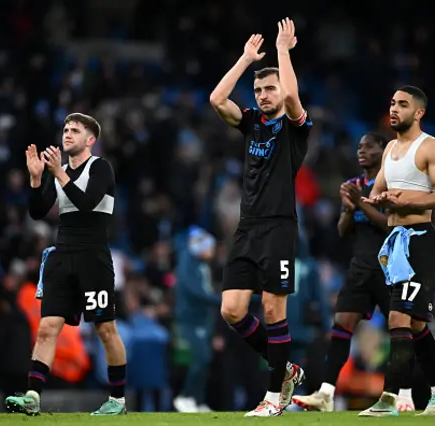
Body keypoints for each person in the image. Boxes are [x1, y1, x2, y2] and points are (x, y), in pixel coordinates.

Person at [209, 18, 312, 417]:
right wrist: (245, 60)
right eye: (258, 89)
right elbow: (218, 100)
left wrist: (283, 52)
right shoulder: (251, 124)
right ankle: (285, 371)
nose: (264, 94)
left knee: (272, 310)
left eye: (269, 88)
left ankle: (273, 399)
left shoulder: (295, 128)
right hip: (247, 227)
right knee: (232, 311)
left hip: (279, 227)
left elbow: (292, 99)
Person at [5, 113, 128, 416]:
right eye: (65, 129)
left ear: (90, 140)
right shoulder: (59, 172)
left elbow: (86, 204)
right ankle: (33, 395)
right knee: (47, 327)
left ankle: (118, 400)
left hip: (93, 258)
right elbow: (37, 211)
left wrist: (59, 173)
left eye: (75, 130)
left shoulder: (100, 168)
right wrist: (36, 180)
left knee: (105, 329)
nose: (67, 134)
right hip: (62, 256)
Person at [293, 133, 412, 412]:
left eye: (369, 146)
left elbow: (391, 225)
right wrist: (347, 210)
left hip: (389, 266)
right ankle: (326, 393)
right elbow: (343, 231)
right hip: (360, 265)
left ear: (383, 152)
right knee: (341, 326)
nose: (362, 150)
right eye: (359, 146)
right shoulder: (355, 186)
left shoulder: (393, 185)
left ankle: (402, 394)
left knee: (399, 329)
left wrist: (360, 204)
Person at [359, 86, 435, 416]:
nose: (394, 109)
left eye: (403, 104)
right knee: (414, 324)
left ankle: (389, 399)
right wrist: (365, 199)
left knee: (398, 318)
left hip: (419, 240)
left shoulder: (432, 146)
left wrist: (406, 199)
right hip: (396, 241)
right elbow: (377, 196)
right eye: (392, 103)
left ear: (419, 113)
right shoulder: (389, 149)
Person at [173, 226, 221, 413]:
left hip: (202, 319)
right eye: (210, 247)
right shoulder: (188, 263)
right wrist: (222, 299)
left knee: (205, 360)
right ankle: (185, 396)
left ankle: (198, 401)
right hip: (190, 320)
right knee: (200, 358)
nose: (212, 251)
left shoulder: (200, 265)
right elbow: (196, 292)